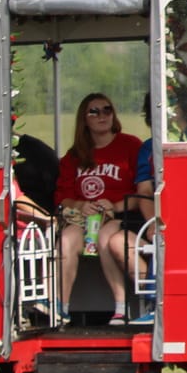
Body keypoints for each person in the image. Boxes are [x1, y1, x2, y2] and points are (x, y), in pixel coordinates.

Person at [55, 92, 142, 322]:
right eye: (94, 111)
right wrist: (81, 205)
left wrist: (113, 206)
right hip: (84, 219)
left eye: (107, 110)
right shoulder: (74, 156)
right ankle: (61, 309)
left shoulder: (130, 146)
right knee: (65, 240)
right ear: (84, 119)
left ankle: (121, 307)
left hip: (121, 216)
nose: (102, 115)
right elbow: (62, 198)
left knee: (105, 235)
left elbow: (141, 192)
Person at [99, 96, 158, 324]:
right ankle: (151, 302)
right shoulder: (147, 149)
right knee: (117, 242)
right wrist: (153, 221)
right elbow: (144, 190)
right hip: (155, 217)